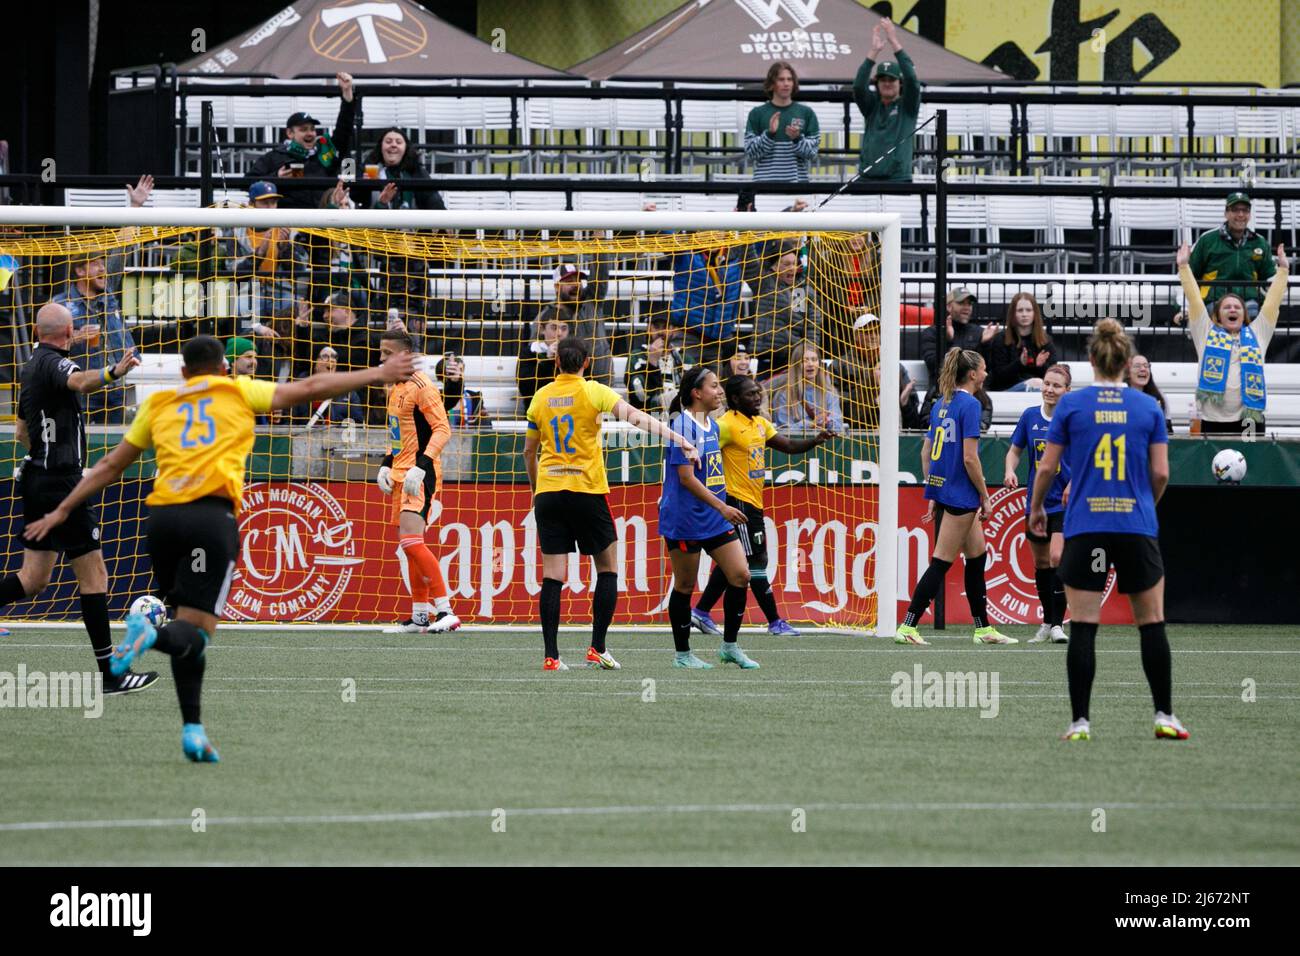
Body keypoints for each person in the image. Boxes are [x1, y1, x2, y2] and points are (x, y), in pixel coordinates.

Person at [24, 335, 415, 762]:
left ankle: (193, 729)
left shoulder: (159, 403)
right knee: (198, 630)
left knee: (185, 625)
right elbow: (307, 389)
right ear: (224, 368)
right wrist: (377, 373)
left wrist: (63, 509)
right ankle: (148, 635)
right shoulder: (237, 391)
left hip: (162, 522)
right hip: (210, 519)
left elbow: (109, 466)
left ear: (184, 373)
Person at [1030, 319, 1185, 743]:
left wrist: (1038, 507)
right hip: (1134, 524)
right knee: (1151, 622)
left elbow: (1047, 466)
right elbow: (1160, 473)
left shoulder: (1072, 406)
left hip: (1086, 525)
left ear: (1092, 360)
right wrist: (1143, 510)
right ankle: (1164, 716)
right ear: (1122, 360)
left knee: (1083, 623)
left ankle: (1080, 722)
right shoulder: (1148, 408)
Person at [0, 302, 155, 692]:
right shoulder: (54, 364)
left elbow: (20, 432)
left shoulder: (30, 367)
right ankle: (110, 675)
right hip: (60, 483)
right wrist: (114, 371)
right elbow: (82, 383)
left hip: (36, 477)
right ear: (67, 334)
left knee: (32, 579)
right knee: (95, 575)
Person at [523, 336, 697, 671]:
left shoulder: (540, 397)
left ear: (556, 361)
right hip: (586, 490)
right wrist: (679, 438)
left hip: (549, 492)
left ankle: (551, 656)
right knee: (607, 568)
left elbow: (530, 452)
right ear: (586, 363)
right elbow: (635, 418)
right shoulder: (593, 390)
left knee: (553, 576)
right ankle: (597, 648)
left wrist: (536, 490)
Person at [690, 375, 833, 638]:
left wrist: (815, 439)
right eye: (750, 394)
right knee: (756, 560)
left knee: (735, 562)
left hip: (753, 501)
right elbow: (699, 451)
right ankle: (775, 621)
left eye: (758, 393)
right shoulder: (725, 426)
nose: (757, 398)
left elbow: (787, 445)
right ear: (735, 399)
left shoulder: (760, 424)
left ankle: (700, 612)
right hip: (736, 502)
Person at [895, 348, 1015, 646]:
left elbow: (927, 452)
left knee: (977, 556)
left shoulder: (941, 404)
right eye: (984, 369)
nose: (986, 373)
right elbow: (970, 459)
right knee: (941, 561)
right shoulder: (970, 405)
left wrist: (934, 489)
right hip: (962, 495)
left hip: (947, 489)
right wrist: (986, 497)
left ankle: (983, 628)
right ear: (973, 374)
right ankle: (908, 626)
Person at [657, 366, 758, 670]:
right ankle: (683, 655)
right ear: (696, 393)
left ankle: (729, 647)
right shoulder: (680, 428)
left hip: (714, 518)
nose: (720, 391)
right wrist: (723, 507)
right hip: (685, 519)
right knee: (685, 586)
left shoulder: (711, 426)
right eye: (714, 386)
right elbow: (686, 479)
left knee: (740, 575)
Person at [51, 174, 155, 424]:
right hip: (83, 389)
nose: (102, 269)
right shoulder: (60, 304)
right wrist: (76, 336)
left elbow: (122, 249)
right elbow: (43, 343)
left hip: (116, 387)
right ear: (79, 271)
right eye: (95, 264)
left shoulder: (107, 290)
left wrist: (135, 207)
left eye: (102, 264)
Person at [375, 331, 460, 635]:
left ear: (407, 354)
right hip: (400, 472)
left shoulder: (423, 386)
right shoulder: (395, 387)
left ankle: (446, 610)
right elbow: (400, 435)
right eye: (381, 352)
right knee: (410, 546)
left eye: (388, 353)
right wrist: (386, 465)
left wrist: (421, 467)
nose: (382, 358)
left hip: (419, 474)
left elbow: (442, 430)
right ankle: (420, 616)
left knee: (411, 541)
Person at [1176, 241, 1288, 434]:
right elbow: (1194, 300)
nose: (1233, 309)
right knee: (1214, 465)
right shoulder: (1205, 332)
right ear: (1218, 315)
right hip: (1212, 419)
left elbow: (1271, 304)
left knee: (1252, 463)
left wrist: (1283, 271)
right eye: (1227, 307)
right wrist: (1184, 267)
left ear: (1244, 315)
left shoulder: (1257, 332)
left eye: (1237, 307)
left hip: (1249, 419)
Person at [1004, 363, 1073, 645]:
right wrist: (1010, 469)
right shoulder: (1030, 416)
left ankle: (1058, 624)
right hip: (1036, 504)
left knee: (1057, 558)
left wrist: (1073, 482)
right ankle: (1047, 621)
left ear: (1067, 391)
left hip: (1065, 503)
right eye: (1047, 383)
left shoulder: (1072, 420)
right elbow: (1015, 451)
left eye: (1057, 385)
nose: (1049, 389)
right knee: (1042, 563)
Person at [365, 127, 444, 318]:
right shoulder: (368, 171)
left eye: (398, 142)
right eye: (388, 141)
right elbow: (356, 205)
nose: (393, 145)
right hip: (382, 253)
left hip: (413, 253)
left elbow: (436, 205)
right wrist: (382, 203)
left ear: (406, 148)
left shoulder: (417, 172)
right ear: (380, 147)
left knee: (416, 319)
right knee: (388, 318)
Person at [249, 73, 357, 209]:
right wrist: (276, 178)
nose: (310, 133)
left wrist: (347, 95)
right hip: (289, 223)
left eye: (312, 129)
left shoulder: (324, 153)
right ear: (289, 133)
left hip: (323, 221)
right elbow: (247, 183)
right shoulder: (274, 157)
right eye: (303, 129)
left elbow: (344, 131)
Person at [1187, 192, 1275, 319]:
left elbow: (1270, 276)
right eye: (1235, 210)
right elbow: (1189, 274)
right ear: (1226, 213)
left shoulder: (1260, 242)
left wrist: (1280, 279)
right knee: (1223, 317)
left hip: (1249, 302)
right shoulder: (1207, 240)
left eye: (1245, 210)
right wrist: (1183, 307)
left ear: (1249, 215)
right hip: (1215, 301)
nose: (1240, 215)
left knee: (1254, 318)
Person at [853, 18, 920, 182]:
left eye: (892, 80)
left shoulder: (908, 106)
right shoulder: (871, 105)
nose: (887, 83)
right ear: (877, 83)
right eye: (883, 80)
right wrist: (874, 51)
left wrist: (893, 42)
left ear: (900, 82)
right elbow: (858, 87)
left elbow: (912, 78)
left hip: (898, 178)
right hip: (867, 177)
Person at [232, 181, 306, 328]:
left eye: (273, 203)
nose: (271, 207)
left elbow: (300, 270)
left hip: (281, 290)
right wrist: (258, 255)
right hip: (250, 291)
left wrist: (285, 248)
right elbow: (234, 271)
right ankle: (248, 348)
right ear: (251, 204)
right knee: (241, 307)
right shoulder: (236, 232)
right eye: (265, 203)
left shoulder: (289, 230)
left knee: (294, 309)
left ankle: (283, 348)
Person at [834, 313, 926, 431]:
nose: (873, 336)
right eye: (868, 332)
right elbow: (835, 403)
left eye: (877, 332)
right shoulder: (841, 365)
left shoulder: (894, 366)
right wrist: (870, 386)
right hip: (856, 434)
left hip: (891, 432)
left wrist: (904, 403)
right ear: (856, 336)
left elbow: (912, 419)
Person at [535, 262, 613, 386]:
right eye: (569, 281)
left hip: (601, 382)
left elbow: (600, 273)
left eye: (578, 280)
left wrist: (599, 245)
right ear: (557, 286)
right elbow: (534, 350)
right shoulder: (546, 316)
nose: (576, 285)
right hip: (566, 385)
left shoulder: (592, 302)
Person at [669, 243, 744, 371]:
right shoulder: (687, 255)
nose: (713, 234)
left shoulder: (735, 258)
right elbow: (667, 234)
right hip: (689, 337)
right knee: (682, 381)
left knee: (715, 386)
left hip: (718, 341)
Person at [744, 61, 821, 183]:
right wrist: (769, 134)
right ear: (771, 84)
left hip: (797, 185)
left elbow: (812, 154)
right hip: (763, 186)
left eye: (789, 79)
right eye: (781, 79)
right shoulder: (757, 113)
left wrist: (797, 139)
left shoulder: (807, 113)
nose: (786, 84)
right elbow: (751, 154)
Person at [752, 243, 821, 376]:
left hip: (793, 358)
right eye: (786, 264)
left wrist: (808, 352)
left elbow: (812, 327)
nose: (792, 268)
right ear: (774, 267)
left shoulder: (801, 290)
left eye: (794, 264)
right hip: (766, 357)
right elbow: (748, 260)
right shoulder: (764, 283)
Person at [919, 287, 1000, 384]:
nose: (967, 307)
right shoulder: (932, 332)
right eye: (961, 303)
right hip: (944, 390)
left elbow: (988, 369)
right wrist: (947, 341)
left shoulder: (979, 332)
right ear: (949, 307)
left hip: (974, 391)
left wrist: (985, 344)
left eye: (969, 304)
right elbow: (934, 366)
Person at [984, 292, 1061, 392]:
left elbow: (1053, 377)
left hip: (1038, 390)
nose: (1024, 314)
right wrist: (1019, 363)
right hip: (1006, 392)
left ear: (1035, 313)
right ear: (1013, 314)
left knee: (1040, 385)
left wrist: (1040, 366)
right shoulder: (1001, 339)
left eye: (1028, 310)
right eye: (1020, 310)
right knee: (1036, 384)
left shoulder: (1045, 340)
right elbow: (998, 376)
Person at [770, 342, 844, 433]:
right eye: (804, 360)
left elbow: (838, 425)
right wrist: (810, 424)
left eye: (814, 359)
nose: (810, 364)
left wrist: (827, 422)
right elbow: (784, 430)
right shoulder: (784, 395)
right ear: (796, 365)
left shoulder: (830, 392)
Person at [624, 315, 684, 414]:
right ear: (649, 329)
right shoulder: (637, 356)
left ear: (673, 330)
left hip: (680, 415)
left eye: (665, 327)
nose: (660, 332)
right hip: (649, 415)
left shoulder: (684, 358)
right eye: (656, 327)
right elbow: (639, 397)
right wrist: (652, 362)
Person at [516, 315, 569, 412]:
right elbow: (526, 389)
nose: (559, 333)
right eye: (554, 328)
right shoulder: (530, 352)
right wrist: (548, 361)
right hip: (538, 412)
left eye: (564, 328)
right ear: (542, 329)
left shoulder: (576, 353)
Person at [436, 353, 491, 429]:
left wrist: (483, 418)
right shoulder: (437, 398)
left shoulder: (475, 398)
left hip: (468, 439)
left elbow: (485, 428)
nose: (459, 374)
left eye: (461, 370)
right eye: (454, 370)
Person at [1126, 354, 1172, 436]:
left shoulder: (1159, 396)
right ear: (1128, 373)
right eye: (1137, 366)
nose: (1143, 369)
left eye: (1146, 366)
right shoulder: (1120, 396)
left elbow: (1168, 431)